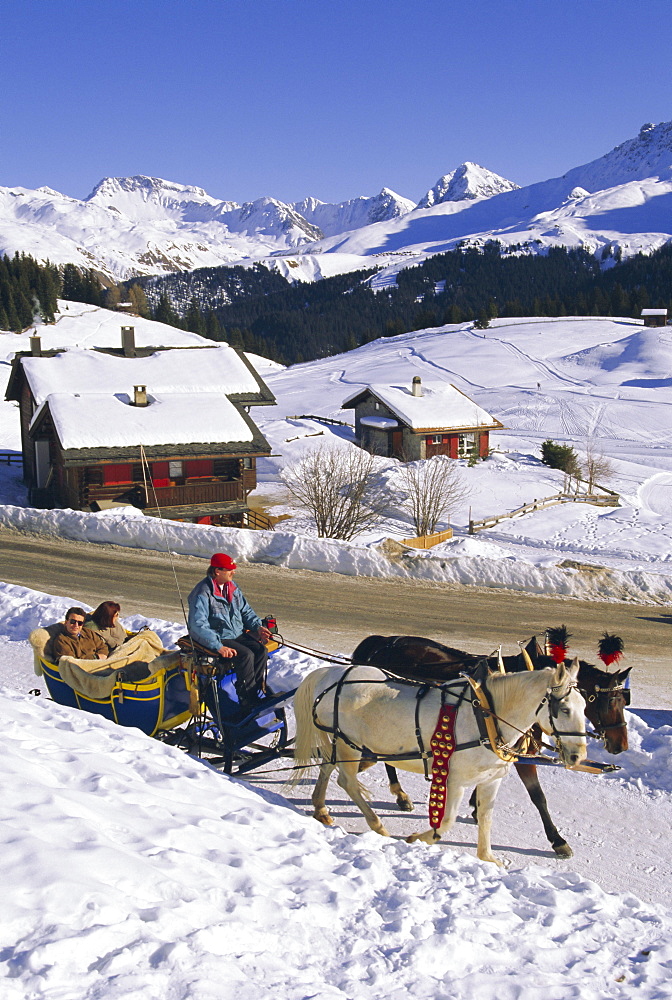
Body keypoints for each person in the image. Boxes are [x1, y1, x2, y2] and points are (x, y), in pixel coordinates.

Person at [187, 553, 272, 713]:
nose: (234, 572)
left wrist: (258, 627)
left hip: (236, 633)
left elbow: (245, 611)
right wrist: (218, 646)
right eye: (230, 569)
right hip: (219, 637)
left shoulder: (232, 587)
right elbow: (198, 625)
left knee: (261, 650)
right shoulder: (202, 593)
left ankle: (256, 691)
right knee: (246, 655)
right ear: (217, 571)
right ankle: (246, 699)